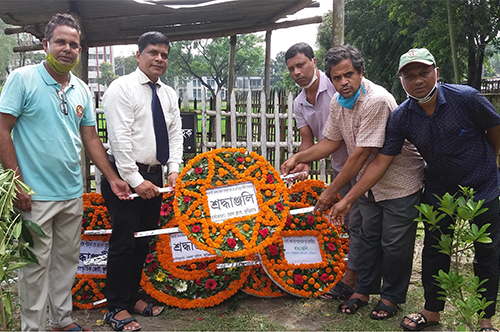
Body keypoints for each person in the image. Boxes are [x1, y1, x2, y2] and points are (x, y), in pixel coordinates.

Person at [330, 48, 500, 331]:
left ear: (437, 72)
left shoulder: (466, 98)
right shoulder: (402, 116)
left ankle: (485, 319)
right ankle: (431, 311)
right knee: (434, 252)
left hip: (482, 186)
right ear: (401, 81)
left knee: (488, 252)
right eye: (410, 76)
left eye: (424, 73)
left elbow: (495, 127)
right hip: (438, 189)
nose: (418, 80)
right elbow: (381, 162)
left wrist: (495, 159)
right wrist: (348, 198)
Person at [0, 13, 131, 332]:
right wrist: (17, 183)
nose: (67, 48)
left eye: (74, 44)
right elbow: (3, 129)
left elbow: (90, 138)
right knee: (35, 267)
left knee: (66, 263)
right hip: (35, 195)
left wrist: (113, 177)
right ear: (45, 44)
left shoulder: (81, 89)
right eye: (60, 41)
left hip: (71, 192)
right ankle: (33, 327)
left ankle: (60, 321)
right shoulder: (23, 79)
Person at [281, 45, 424, 319]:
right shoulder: (338, 101)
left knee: (394, 243)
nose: (343, 82)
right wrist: (298, 157)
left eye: (349, 75)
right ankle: (361, 290)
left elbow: (360, 155)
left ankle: (391, 297)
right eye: (337, 77)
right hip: (368, 184)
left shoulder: (376, 100)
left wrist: (335, 195)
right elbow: (332, 142)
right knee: (368, 237)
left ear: (361, 73)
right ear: (331, 79)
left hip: (398, 182)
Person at [101, 31, 183, 331]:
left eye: (164, 54)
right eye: (152, 52)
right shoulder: (121, 88)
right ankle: (115, 307)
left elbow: (174, 134)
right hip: (124, 178)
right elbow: (119, 140)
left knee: (143, 241)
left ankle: (132, 295)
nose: (159, 59)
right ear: (138, 55)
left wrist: (173, 168)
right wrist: (135, 180)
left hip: (156, 176)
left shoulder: (168, 93)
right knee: (124, 242)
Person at [284, 42, 361, 300]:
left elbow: (335, 140)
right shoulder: (299, 103)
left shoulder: (338, 87)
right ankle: (352, 274)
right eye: (291, 68)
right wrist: (303, 162)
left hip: (364, 163)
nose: (296, 72)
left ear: (314, 62)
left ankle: (357, 279)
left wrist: (301, 156)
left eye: (301, 64)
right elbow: (309, 140)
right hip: (340, 169)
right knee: (351, 223)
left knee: (364, 224)